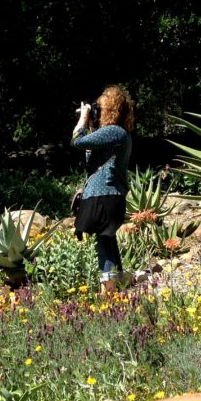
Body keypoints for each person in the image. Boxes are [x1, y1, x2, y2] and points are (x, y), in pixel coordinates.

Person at [71, 85, 134, 295]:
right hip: (110, 195)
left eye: (101, 107)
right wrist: (90, 125)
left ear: (111, 110)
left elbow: (76, 142)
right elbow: (92, 158)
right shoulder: (116, 135)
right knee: (107, 238)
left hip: (104, 194)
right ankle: (119, 283)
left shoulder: (114, 131)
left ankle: (108, 291)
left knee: (103, 241)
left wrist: (82, 119)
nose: (98, 110)